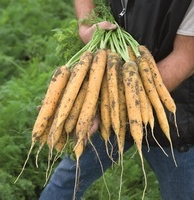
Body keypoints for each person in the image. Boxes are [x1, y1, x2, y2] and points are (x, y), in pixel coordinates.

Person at [39, 0, 194, 199]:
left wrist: (103, 104)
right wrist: (87, 27)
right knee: (67, 180)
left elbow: (185, 58)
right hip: (103, 86)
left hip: (172, 114)